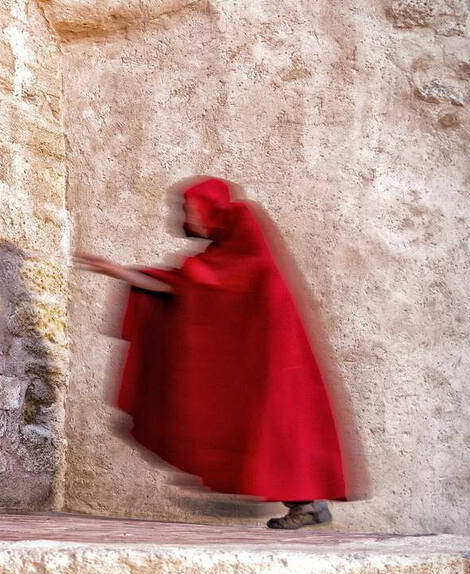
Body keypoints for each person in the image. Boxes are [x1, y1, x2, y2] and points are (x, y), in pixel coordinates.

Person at [75, 177, 347, 529]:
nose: (185, 219)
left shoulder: (245, 255)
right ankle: (305, 504)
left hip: (269, 365)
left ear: (214, 211)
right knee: (254, 426)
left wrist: (123, 272)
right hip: (252, 364)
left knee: (275, 429)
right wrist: (117, 271)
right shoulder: (226, 255)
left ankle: (307, 504)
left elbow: (200, 286)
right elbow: (181, 287)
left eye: (191, 210)